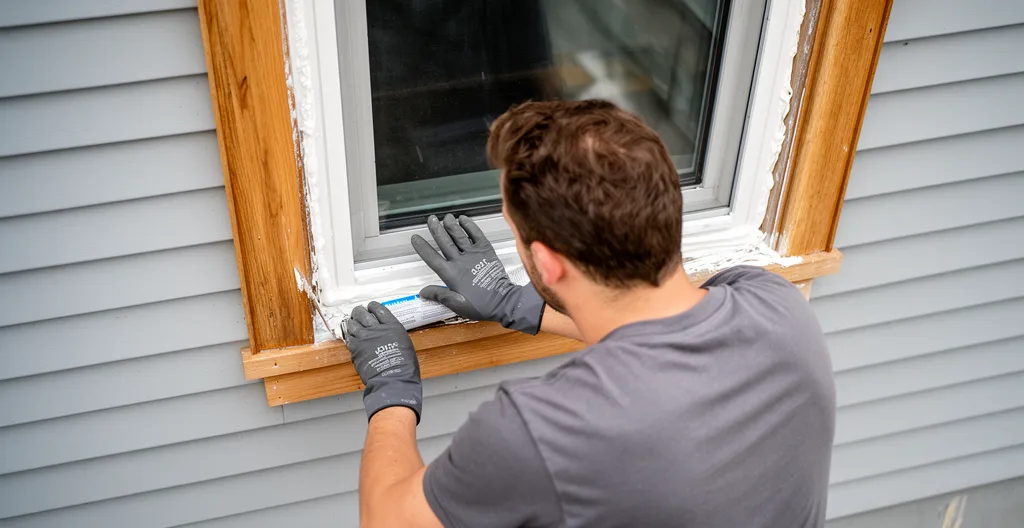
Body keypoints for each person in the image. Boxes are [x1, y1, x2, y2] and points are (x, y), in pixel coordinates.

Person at [343, 100, 836, 527]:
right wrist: (521, 306)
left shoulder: (540, 431)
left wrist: (392, 394)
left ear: (550, 263)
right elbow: (660, 325)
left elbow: (388, 521)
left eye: (514, 233)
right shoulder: (778, 306)